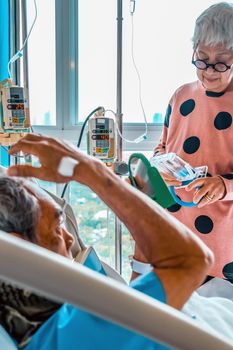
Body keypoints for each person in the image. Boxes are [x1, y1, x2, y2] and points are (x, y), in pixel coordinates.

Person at [0, 133, 231, 349]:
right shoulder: (72, 336)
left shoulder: (51, 320)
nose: (69, 238)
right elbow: (192, 260)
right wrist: (90, 170)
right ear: (16, 249)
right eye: (56, 228)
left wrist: (142, 215)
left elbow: (138, 305)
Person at [154, 2, 233, 280]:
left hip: (224, 249)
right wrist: (160, 170)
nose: (209, 70)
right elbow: (162, 148)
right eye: (202, 59)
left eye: (221, 61)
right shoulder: (180, 97)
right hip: (176, 233)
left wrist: (223, 186)